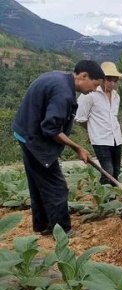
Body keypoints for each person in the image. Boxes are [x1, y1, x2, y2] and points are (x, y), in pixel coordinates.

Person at [12, 60, 104, 235]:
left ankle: (43, 225)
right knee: (56, 186)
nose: (94, 90)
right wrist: (78, 148)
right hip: (33, 137)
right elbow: (51, 129)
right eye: (95, 84)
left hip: (24, 130)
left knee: (38, 182)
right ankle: (62, 230)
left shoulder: (61, 78)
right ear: (83, 76)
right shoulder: (64, 93)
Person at [75, 61, 122, 185]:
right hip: (100, 139)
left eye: (115, 81)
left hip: (116, 138)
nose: (112, 84)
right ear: (102, 79)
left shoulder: (116, 97)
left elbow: (113, 117)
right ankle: (105, 198)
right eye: (109, 80)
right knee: (107, 171)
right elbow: (80, 118)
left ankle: (114, 197)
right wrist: (91, 130)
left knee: (116, 170)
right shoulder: (90, 94)